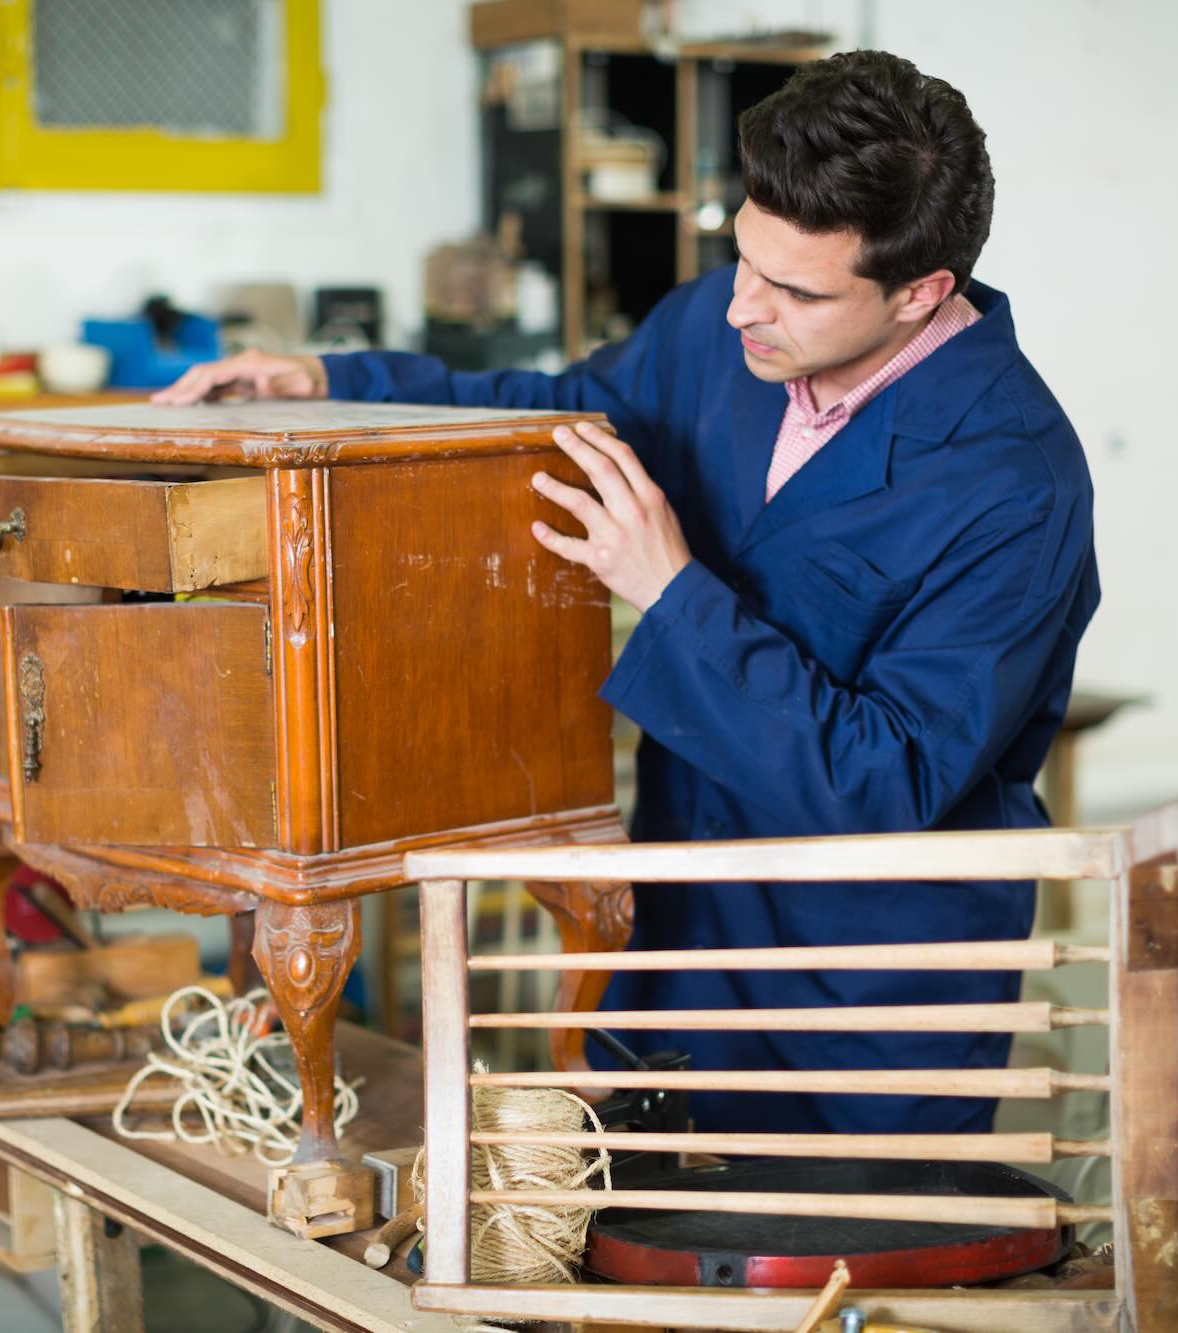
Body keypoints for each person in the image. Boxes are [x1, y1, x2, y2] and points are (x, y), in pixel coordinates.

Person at [156, 50, 1099, 1137]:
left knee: (838, 1287)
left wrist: (671, 589)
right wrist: (334, 381)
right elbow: (562, 409)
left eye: (795, 290)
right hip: (672, 924)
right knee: (631, 1250)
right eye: (741, 255)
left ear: (920, 293)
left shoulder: (1013, 480)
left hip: (861, 986)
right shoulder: (722, 328)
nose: (744, 305)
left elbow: (883, 782)